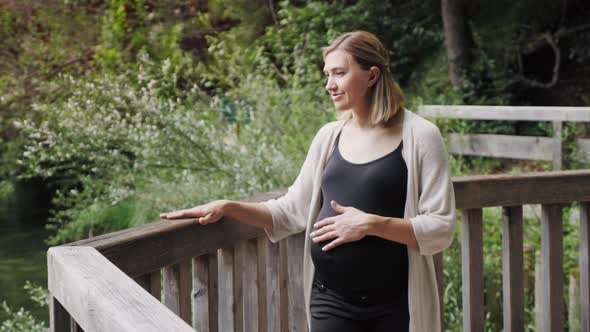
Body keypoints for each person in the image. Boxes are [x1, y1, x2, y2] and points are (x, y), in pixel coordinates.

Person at [160, 31, 456, 332]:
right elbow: (290, 210)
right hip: (331, 301)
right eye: (327, 75)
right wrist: (229, 206)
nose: (330, 85)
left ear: (372, 75)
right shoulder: (329, 136)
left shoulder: (421, 136)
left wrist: (369, 224)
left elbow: (441, 228)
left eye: (339, 73)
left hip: (396, 305)